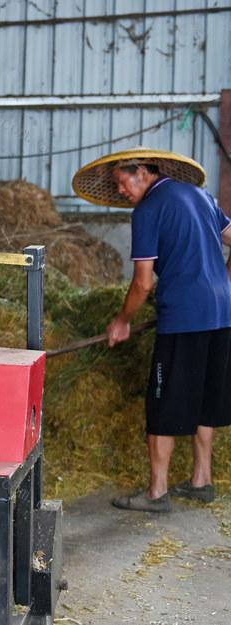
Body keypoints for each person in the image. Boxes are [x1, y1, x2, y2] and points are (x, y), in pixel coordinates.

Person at [72, 147, 231, 513]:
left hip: (184, 318)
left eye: (122, 182)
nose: (122, 192)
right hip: (222, 314)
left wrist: (121, 321)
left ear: (142, 170)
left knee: (161, 403)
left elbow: (143, 284)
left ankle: (157, 492)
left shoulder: (148, 210)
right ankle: (201, 481)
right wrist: (223, 283)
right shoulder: (201, 196)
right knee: (206, 399)